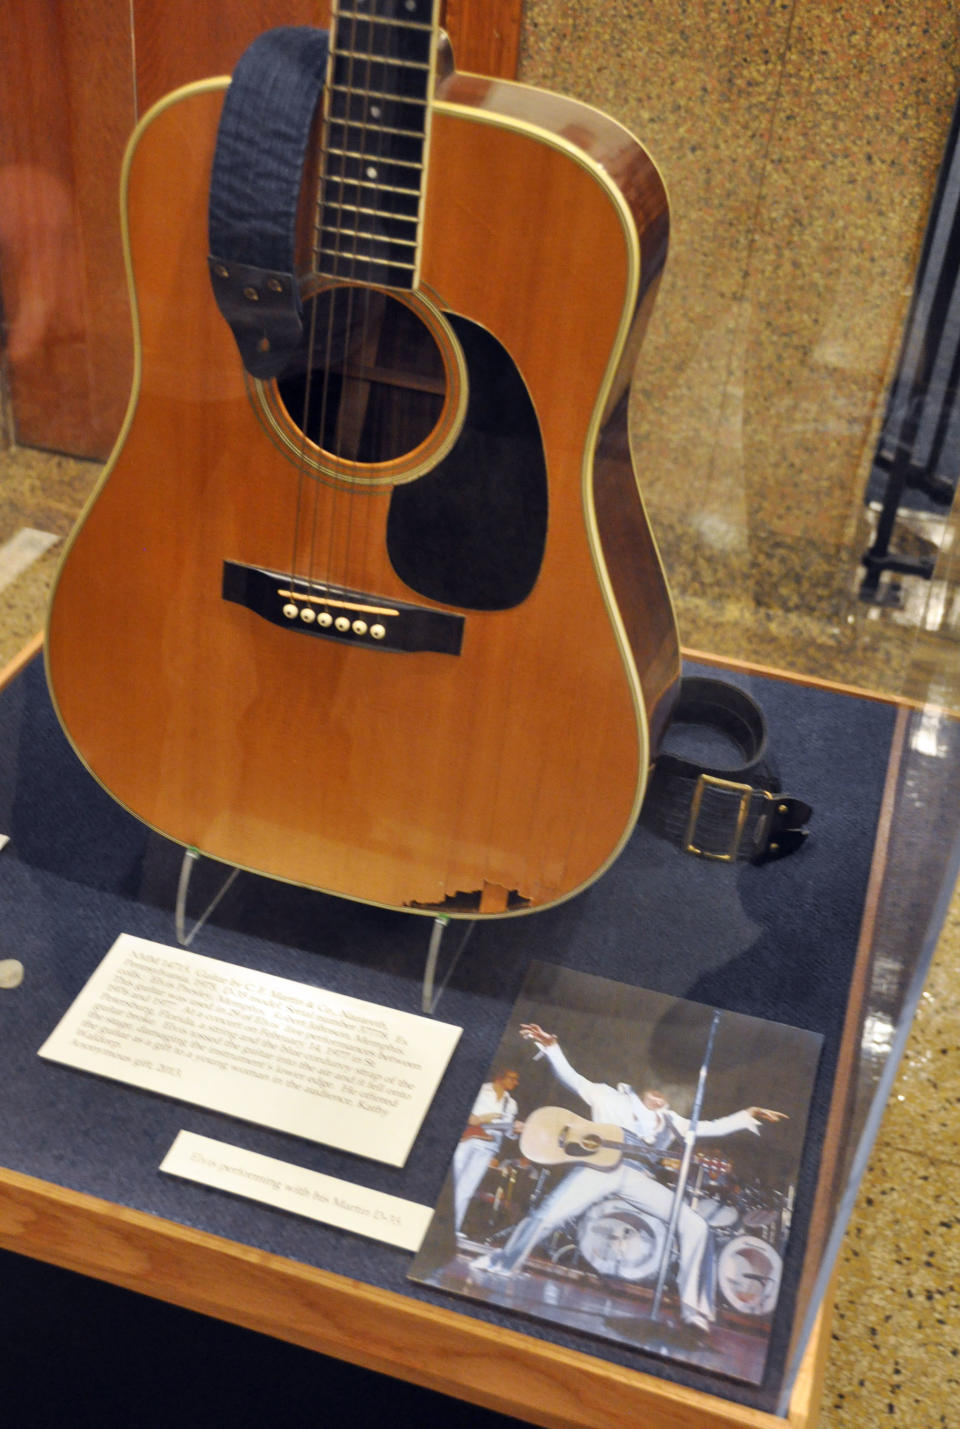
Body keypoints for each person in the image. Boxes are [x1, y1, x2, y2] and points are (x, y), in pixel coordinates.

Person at [473, 1025, 787, 1341]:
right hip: (599, 1169)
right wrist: (553, 1048)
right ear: (642, 1084)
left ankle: (696, 1313)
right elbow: (574, 1079)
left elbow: (711, 1127)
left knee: (696, 1226)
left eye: (665, 1090)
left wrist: (748, 1114)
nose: (658, 1095)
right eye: (654, 1088)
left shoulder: (671, 1121)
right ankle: (502, 1262)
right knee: (547, 1215)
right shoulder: (609, 1097)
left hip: (636, 1177)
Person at [452, 1067, 523, 1235]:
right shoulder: (481, 1089)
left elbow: (507, 1130)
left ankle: (453, 1228)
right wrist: (479, 1119)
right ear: (500, 1076)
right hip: (467, 1139)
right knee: (452, 1182)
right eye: (512, 1078)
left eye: (517, 1080)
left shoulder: (511, 1104)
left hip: (489, 1147)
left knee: (467, 1188)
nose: (515, 1083)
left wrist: (515, 1130)